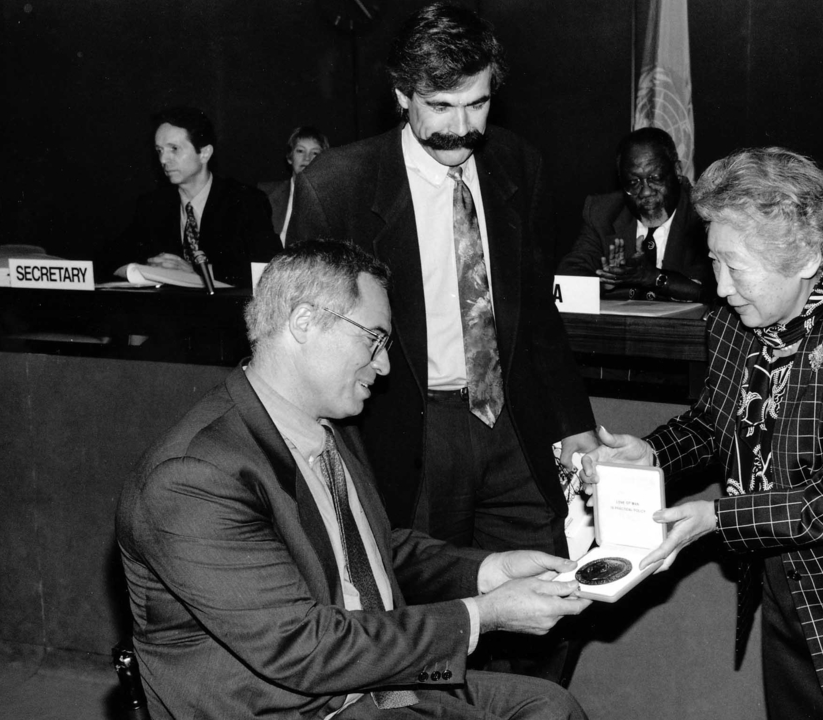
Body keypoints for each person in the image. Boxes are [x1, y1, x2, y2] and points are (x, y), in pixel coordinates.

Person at [579, 148, 823, 718]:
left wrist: (716, 518)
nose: (719, 288)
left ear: (805, 260)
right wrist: (652, 450)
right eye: (714, 262)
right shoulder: (733, 320)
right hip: (788, 588)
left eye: (734, 267)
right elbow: (714, 420)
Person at [116, 240, 591, 719]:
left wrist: (491, 572)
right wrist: (484, 615)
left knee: (549, 705)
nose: (384, 366)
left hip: (370, 681)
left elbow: (375, 553)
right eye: (374, 339)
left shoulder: (324, 426)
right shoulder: (192, 478)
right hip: (301, 704)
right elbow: (305, 650)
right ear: (304, 323)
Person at [287, 2, 598, 682]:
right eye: (440, 105)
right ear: (402, 96)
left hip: (510, 425)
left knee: (555, 595)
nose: (462, 128)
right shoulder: (336, 188)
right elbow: (303, 349)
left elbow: (536, 319)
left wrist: (577, 428)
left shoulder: (520, 164)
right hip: (407, 429)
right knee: (427, 607)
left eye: (478, 103)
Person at [98, 107, 281, 287]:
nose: (163, 159)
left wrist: (197, 271)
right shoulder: (152, 205)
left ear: (205, 153)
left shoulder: (245, 201)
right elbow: (112, 257)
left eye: (174, 149)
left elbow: (269, 270)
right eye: (159, 150)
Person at [556, 127, 713, 302]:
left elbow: (712, 291)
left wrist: (654, 278)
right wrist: (605, 281)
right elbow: (567, 275)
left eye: (655, 178)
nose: (645, 192)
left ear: (676, 171)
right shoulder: (603, 213)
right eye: (633, 182)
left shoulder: (702, 214)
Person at [259, 126, 329, 244]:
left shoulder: (332, 199)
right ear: (289, 157)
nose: (307, 158)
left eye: (315, 153)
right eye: (300, 151)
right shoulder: (266, 193)